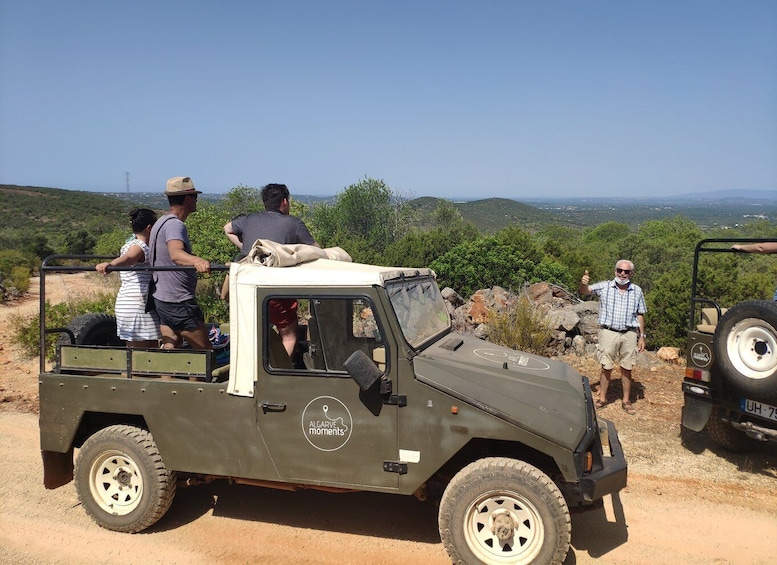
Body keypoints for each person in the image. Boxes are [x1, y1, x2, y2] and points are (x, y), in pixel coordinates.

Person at [223, 183, 319, 358]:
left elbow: (227, 228)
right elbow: (315, 249)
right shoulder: (293, 223)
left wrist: (248, 249)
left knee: (253, 331)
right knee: (289, 335)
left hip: (246, 289)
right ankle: (277, 374)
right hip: (275, 289)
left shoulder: (249, 219)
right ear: (284, 202)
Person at [148, 176, 212, 352]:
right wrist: (197, 261)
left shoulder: (160, 222)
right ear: (188, 199)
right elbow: (175, 254)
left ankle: (166, 379)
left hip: (161, 297)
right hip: (178, 300)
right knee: (204, 354)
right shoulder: (176, 225)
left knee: (172, 347)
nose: (197, 201)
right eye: (195, 197)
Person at [579, 260, 647, 415]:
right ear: (615, 271)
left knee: (627, 367)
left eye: (626, 271)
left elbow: (640, 314)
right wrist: (583, 283)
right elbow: (585, 291)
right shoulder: (605, 286)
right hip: (608, 332)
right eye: (619, 270)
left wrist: (641, 336)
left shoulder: (637, 291)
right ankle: (602, 399)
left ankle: (626, 401)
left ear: (632, 274)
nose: (622, 274)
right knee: (606, 366)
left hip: (629, 333)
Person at [95, 208, 161, 348]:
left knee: (148, 351)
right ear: (149, 228)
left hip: (135, 302)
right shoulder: (139, 246)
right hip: (138, 304)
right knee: (137, 355)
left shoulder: (132, 243)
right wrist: (111, 265)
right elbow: (129, 258)